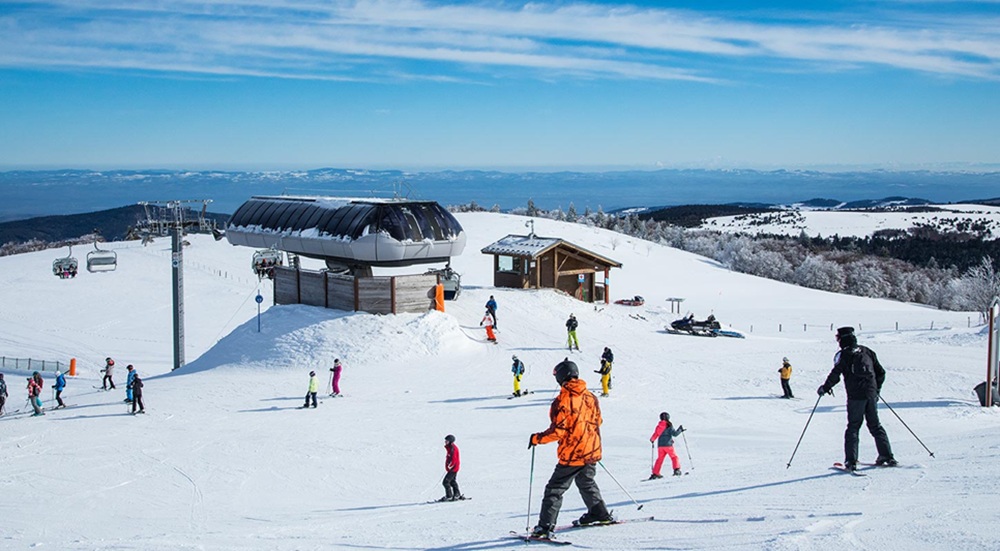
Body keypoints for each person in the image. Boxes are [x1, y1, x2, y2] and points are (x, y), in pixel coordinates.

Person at [528, 359, 612, 540]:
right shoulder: (590, 396)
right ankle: (599, 513)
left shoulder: (563, 401)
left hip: (573, 453)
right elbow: (598, 421)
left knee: (555, 489)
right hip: (591, 450)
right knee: (586, 482)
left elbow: (558, 431)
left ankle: (544, 527)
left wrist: (537, 439)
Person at [817, 326, 896, 471]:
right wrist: (876, 390)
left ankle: (851, 461)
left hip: (855, 396)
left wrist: (825, 387)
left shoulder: (843, 355)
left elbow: (836, 374)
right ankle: (887, 456)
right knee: (875, 426)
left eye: (838, 338)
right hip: (870, 395)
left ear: (842, 339)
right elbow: (881, 372)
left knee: (853, 427)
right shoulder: (867, 351)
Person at [648, 412, 685, 479]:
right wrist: (680, 430)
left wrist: (652, 439)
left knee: (659, 459)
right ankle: (676, 470)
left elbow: (655, 434)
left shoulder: (658, 426)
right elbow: (675, 434)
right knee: (674, 457)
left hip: (660, 446)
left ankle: (655, 473)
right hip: (668, 445)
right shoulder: (669, 425)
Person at [439, 434, 465, 501]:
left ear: (450, 441)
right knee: (452, 481)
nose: (445, 442)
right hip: (453, 468)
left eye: (447, 440)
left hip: (453, 469)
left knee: (446, 482)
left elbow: (454, 459)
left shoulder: (453, 448)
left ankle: (449, 496)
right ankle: (457, 494)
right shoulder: (450, 448)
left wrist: (450, 466)